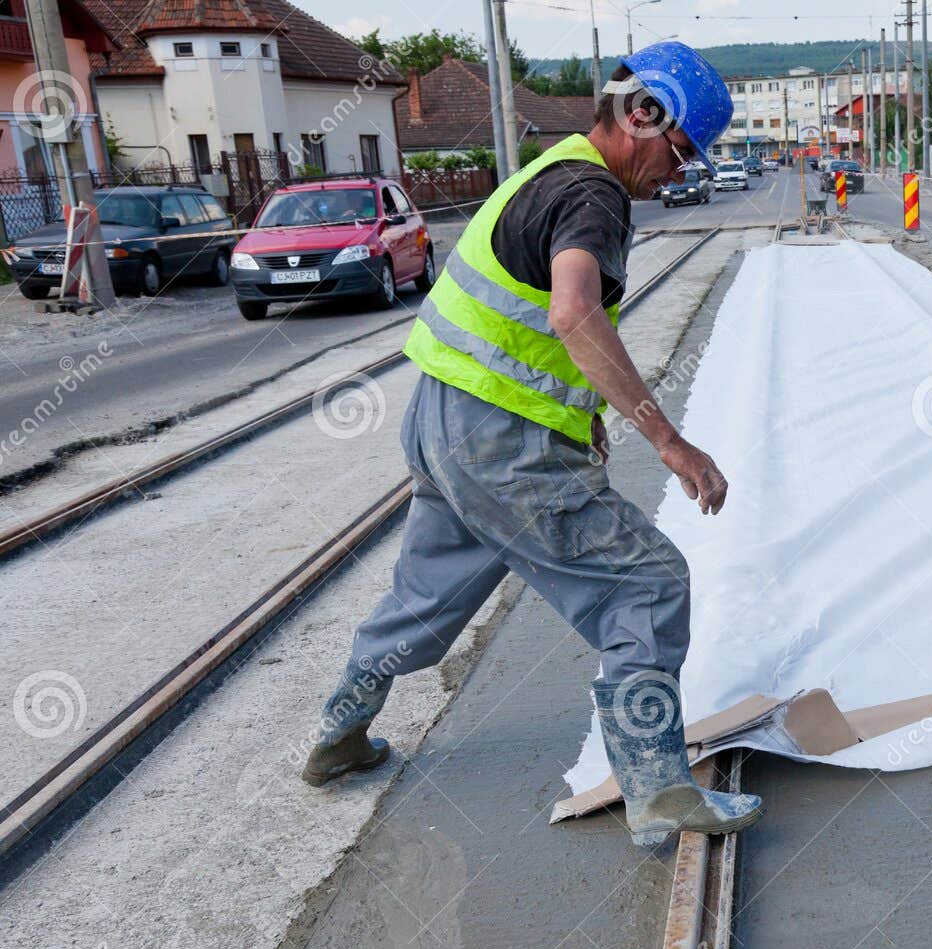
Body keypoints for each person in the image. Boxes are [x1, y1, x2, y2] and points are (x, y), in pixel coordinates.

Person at [297, 41, 761, 849]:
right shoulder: (594, 195)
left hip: (442, 420)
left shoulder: (544, 174)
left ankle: (341, 732)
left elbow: (522, 321)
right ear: (642, 116)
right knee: (646, 586)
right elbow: (573, 313)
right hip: (500, 446)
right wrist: (671, 441)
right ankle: (658, 790)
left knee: (426, 592)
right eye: (682, 149)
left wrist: (580, 417)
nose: (680, 171)